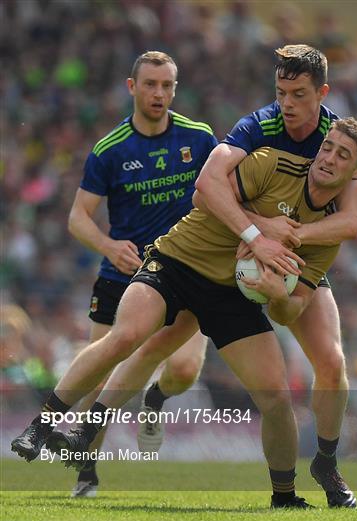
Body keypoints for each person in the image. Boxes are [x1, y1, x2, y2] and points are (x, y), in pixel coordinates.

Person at [12, 117, 357, 510]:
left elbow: (290, 310)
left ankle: (284, 497)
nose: (329, 158)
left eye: (342, 155)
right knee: (127, 337)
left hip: (230, 293)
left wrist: (275, 295)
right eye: (327, 147)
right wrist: (261, 231)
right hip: (179, 261)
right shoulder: (273, 162)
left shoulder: (328, 233)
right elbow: (206, 195)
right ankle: (43, 427)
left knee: (274, 396)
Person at [139, 44, 357, 508]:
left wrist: (292, 239)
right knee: (164, 352)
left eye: (298, 94)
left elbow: (351, 221)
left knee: (333, 363)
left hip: (294, 257)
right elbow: (206, 189)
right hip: (235, 250)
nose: (286, 103)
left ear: (321, 93)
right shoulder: (258, 126)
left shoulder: (336, 137)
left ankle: (325, 460)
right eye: (281, 91)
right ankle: (130, 411)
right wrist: (262, 232)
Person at [63, 50, 217, 497]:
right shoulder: (109, 150)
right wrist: (109, 245)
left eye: (167, 85)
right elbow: (78, 217)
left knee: (186, 370)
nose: (159, 93)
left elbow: (225, 190)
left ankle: (156, 400)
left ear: (175, 89)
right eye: (150, 84)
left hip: (186, 272)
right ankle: (86, 471)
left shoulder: (199, 137)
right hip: (121, 275)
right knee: (98, 375)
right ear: (133, 87)